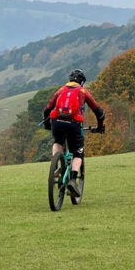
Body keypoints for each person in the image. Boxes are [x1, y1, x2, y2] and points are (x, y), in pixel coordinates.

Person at [42, 69, 105, 197]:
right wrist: (100, 126)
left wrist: (47, 124)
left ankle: (56, 165)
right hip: (74, 123)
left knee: (58, 141)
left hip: (57, 121)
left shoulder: (61, 90)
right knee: (78, 152)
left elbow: (47, 108)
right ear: (82, 82)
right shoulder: (83, 91)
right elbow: (98, 111)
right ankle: (73, 180)